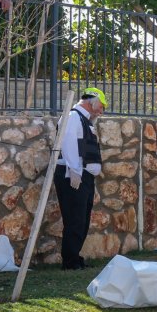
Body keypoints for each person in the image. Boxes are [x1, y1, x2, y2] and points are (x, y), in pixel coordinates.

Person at [54, 87, 107, 270]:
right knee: (74, 219)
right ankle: (69, 262)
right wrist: (74, 171)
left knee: (82, 219)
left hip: (83, 176)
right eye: (101, 106)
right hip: (73, 174)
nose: (101, 111)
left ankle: (74, 257)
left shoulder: (85, 120)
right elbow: (68, 144)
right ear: (91, 101)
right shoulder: (74, 117)